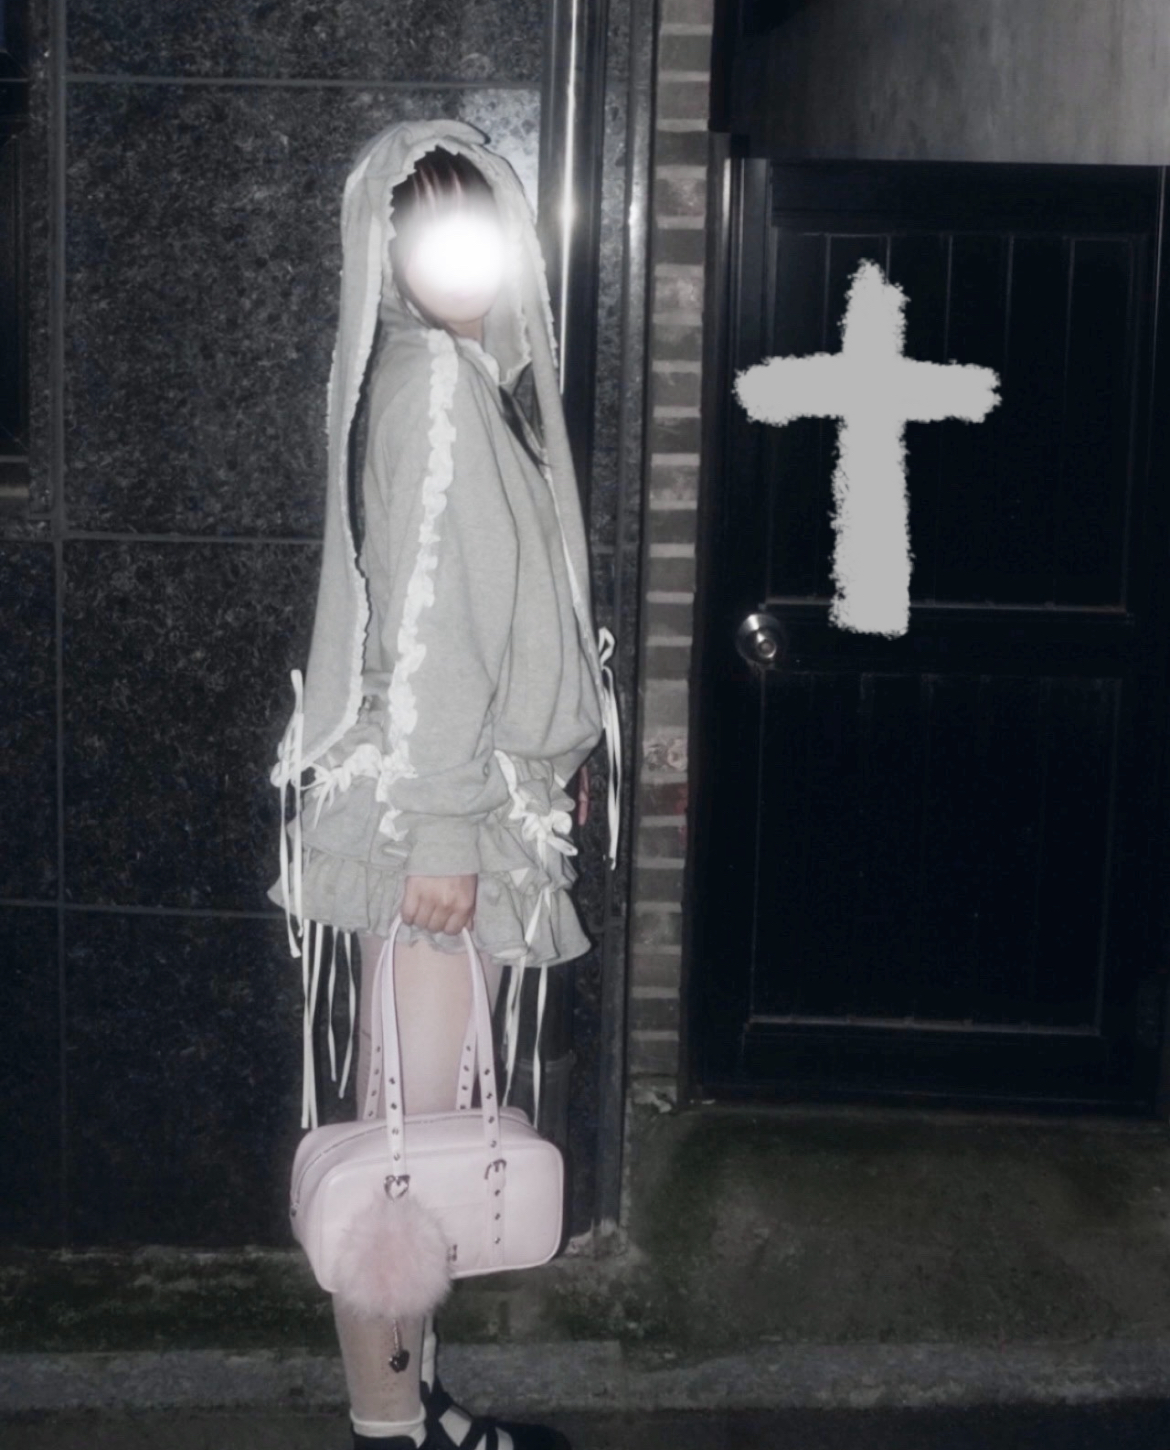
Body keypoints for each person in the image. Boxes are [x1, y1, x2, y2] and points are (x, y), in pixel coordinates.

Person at [266, 118, 621, 1450]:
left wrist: (521, 778)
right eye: (433, 234)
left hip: (459, 798)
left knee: (416, 1129)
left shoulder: (454, 377)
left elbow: (490, 617)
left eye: (480, 229)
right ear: (392, 248)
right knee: (402, 1150)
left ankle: (413, 1403)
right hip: (434, 814)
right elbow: (428, 627)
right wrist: (441, 827)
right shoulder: (433, 387)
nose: (463, 259)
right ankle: (388, 1425)